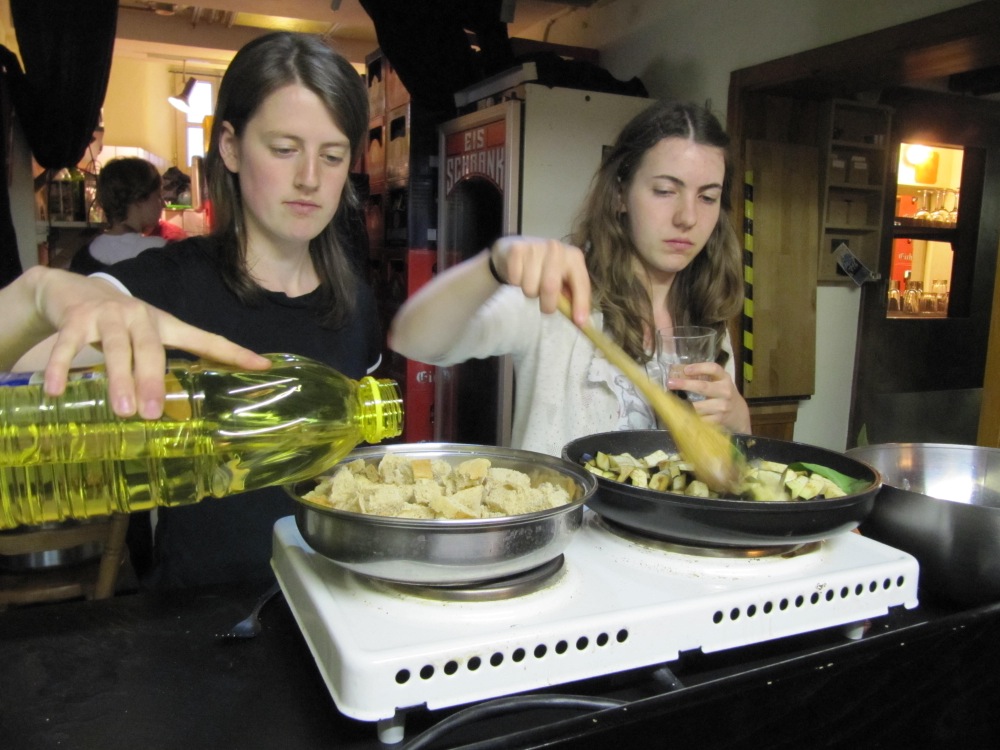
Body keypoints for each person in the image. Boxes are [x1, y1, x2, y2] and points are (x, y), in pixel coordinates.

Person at [22, 31, 379, 590]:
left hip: (338, 614)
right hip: (198, 626)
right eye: (284, 149)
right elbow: (18, 358)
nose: (310, 176)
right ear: (231, 148)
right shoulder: (167, 287)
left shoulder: (355, 300)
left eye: (331, 156)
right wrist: (43, 292)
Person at [390, 100, 751, 458]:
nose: (688, 217)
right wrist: (492, 266)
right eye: (665, 191)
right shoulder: (558, 297)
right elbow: (414, 340)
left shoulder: (707, 318)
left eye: (707, 197)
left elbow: (726, 468)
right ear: (620, 194)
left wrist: (739, 419)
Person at [2, 265, 270, 417]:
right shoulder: (161, 283)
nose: (309, 179)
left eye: (316, 160)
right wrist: (33, 294)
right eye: (282, 160)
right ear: (232, 160)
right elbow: (15, 377)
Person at [69, 157, 168, 274]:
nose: (163, 204)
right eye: (158, 195)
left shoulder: (81, 259)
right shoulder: (164, 254)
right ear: (138, 199)